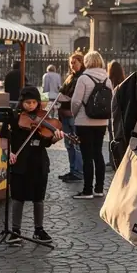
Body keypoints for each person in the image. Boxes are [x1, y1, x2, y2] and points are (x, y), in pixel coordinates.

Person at [0, 85, 59, 247]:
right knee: (18, 197)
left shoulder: (43, 118)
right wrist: (8, 152)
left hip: (38, 162)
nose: (31, 106)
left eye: (34, 102)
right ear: (21, 102)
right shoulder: (14, 117)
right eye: (27, 103)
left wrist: (56, 137)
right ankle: (15, 230)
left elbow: (48, 142)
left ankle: (38, 229)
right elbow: (3, 138)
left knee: (38, 198)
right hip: (19, 162)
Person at [70, 50, 112, 199]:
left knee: (87, 156)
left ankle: (87, 190)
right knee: (98, 154)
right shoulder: (107, 79)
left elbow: (75, 101)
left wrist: (75, 115)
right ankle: (99, 189)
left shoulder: (84, 78)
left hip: (84, 121)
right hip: (101, 122)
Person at [57, 52, 85, 182]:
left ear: (81, 62)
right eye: (71, 63)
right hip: (64, 114)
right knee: (69, 144)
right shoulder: (70, 77)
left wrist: (66, 98)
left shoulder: (83, 77)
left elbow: (77, 97)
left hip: (74, 114)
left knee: (77, 144)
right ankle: (72, 169)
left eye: (75, 62)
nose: (72, 65)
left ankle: (78, 172)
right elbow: (62, 91)